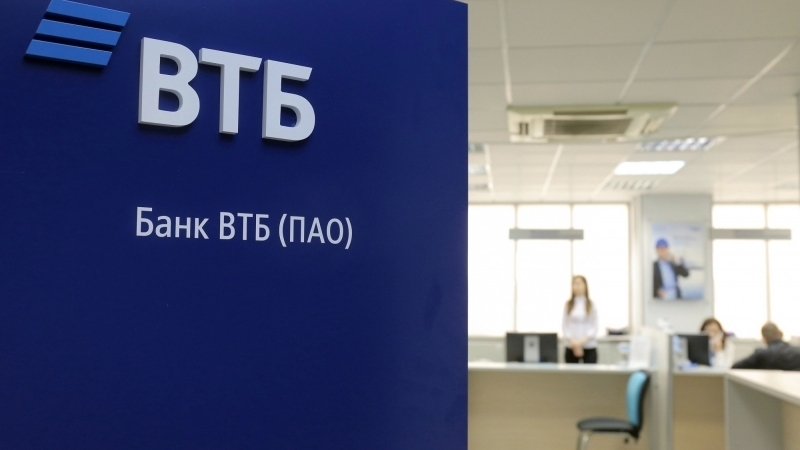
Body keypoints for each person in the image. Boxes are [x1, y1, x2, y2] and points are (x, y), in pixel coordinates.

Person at [732, 322, 800, 371]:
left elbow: (735, 367)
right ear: (780, 334)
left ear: (764, 338)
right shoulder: (797, 352)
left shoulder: (761, 355)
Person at [562, 275, 598, 364]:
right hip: (571, 346)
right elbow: (565, 325)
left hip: (589, 345)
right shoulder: (568, 304)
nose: (576, 286)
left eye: (578, 284)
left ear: (585, 286)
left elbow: (594, 326)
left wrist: (581, 343)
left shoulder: (591, 305)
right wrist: (574, 343)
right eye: (574, 284)